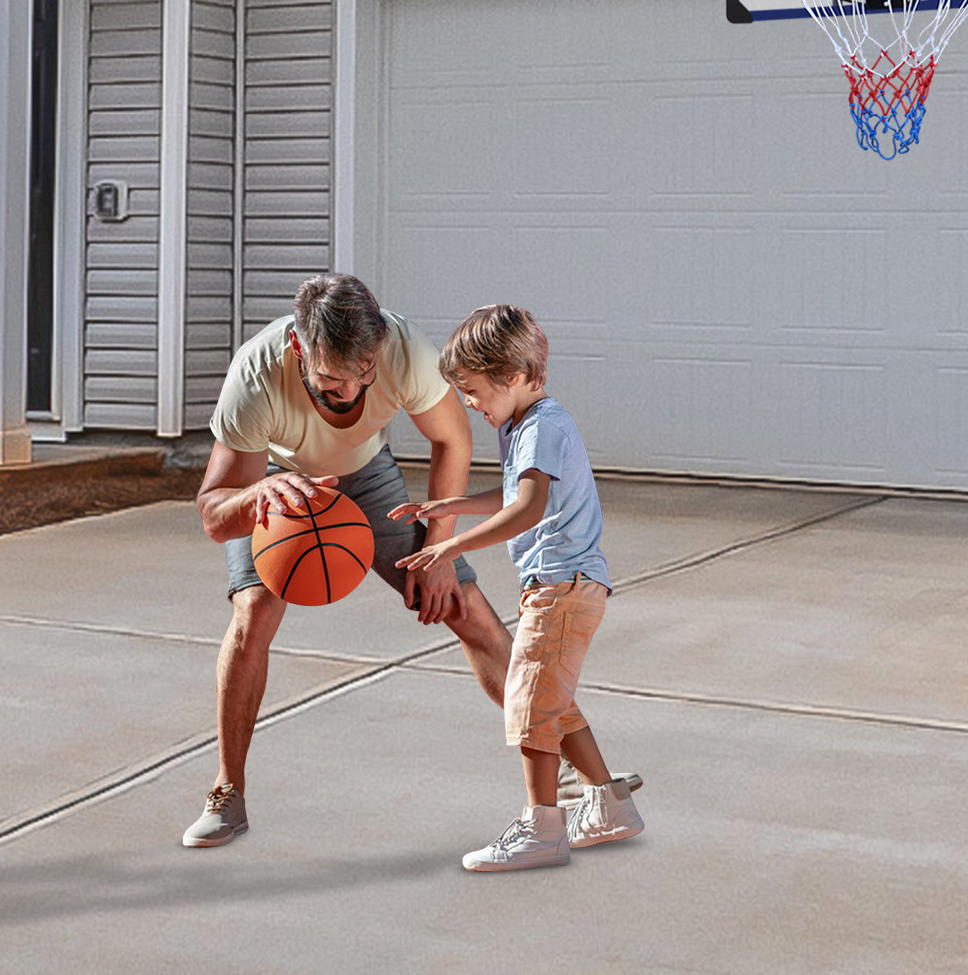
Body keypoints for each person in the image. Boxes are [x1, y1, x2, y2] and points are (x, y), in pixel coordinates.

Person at [182, 273, 517, 848]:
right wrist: (255, 496)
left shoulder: (404, 351)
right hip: (274, 483)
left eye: (365, 373)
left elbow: (453, 441)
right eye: (335, 380)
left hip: (365, 473)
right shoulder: (256, 375)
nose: (355, 391)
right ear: (299, 350)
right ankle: (227, 791)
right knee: (253, 616)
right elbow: (214, 516)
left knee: (465, 605)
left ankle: (570, 758)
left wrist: (438, 548)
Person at [395, 303, 643, 872]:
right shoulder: (527, 425)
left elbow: (528, 510)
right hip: (564, 585)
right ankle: (609, 805)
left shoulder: (541, 428)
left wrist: (453, 544)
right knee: (551, 703)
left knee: (529, 705)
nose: (472, 405)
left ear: (511, 377)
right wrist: (447, 506)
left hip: (561, 585)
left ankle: (543, 830)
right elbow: (514, 496)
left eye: (475, 392)